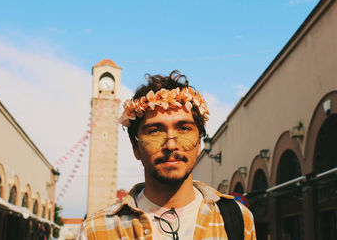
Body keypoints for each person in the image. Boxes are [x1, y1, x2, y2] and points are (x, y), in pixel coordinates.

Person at [78, 70, 256, 240]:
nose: (171, 144)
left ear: (199, 141)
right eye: (155, 131)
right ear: (135, 146)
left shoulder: (238, 219)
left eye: (184, 129)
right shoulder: (96, 231)